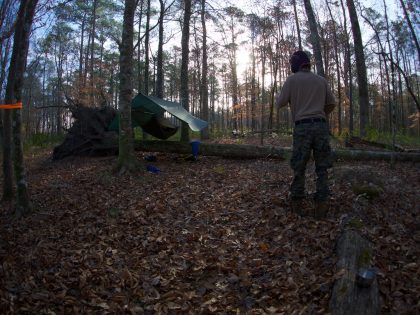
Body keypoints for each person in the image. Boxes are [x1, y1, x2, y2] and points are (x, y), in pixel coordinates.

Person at [276, 50, 335, 219]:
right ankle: (321, 205)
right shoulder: (321, 80)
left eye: (291, 62)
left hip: (302, 127)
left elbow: (279, 103)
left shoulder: (292, 80)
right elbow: (331, 103)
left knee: (299, 166)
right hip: (321, 126)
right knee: (322, 167)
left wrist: (296, 102)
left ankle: (297, 204)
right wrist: (319, 113)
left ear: (297, 63)